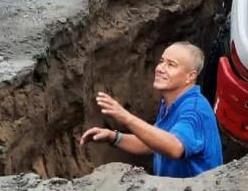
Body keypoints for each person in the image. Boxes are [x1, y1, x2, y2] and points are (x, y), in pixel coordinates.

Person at [80, 42, 223, 178]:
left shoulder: (194, 109)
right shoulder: (171, 103)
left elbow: (175, 147)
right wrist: (113, 137)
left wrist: (126, 117)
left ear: (190, 76)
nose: (160, 68)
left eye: (171, 65)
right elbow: (151, 143)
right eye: (161, 61)